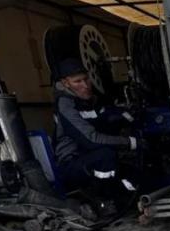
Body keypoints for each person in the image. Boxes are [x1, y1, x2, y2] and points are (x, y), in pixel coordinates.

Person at [52, 58, 138, 198]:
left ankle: (130, 195)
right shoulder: (65, 105)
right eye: (77, 82)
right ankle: (106, 201)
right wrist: (129, 142)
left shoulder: (91, 100)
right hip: (72, 164)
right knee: (105, 156)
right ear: (65, 83)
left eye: (86, 79)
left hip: (90, 156)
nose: (85, 85)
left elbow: (107, 119)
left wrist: (126, 116)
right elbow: (91, 139)